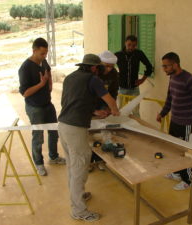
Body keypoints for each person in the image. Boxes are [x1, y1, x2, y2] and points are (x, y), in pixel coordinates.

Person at [58, 54, 120, 222]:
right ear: (94, 68)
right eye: (99, 68)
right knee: (80, 167)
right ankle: (78, 210)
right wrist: (115, 112)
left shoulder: (70, 78)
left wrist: (94, 112)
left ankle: (78, 197)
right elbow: (110, 100)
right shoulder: (93, 80)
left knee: (72, 165)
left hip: (63, 126)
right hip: (76, 129)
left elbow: (72, 102)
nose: (101, 71)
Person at [156, 52, 192, 191]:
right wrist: (162, 113)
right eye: (163, 66)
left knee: (185, 151)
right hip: (175, 119)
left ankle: (188, 180)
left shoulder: (190, 80)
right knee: (174, 148)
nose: (164, 69)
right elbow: (170, 98)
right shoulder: (172, 77)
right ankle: (177, 173)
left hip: (186, 122)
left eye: (166, 66)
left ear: (175, 64)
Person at [18, 37, 65, 176]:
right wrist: (42, 84)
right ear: (34, 51)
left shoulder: (43, 62)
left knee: (53, 132)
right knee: (38, 136)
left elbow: (48, 71)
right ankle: (39, 164)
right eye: (42, 53)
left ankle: (54, 157)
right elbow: (25, 93)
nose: (45, 56)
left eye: (46, 53)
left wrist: (49, 83)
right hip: (35, 108)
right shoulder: (25, 68)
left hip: (47, 104)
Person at [89, 50, 119, 172]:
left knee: (103, 135)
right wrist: (93, 110)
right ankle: (89, 162)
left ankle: (100, 160)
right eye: (106, 66)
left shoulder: (114, 74)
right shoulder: (93, 74)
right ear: (99, 64)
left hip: (104, 106)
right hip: (91, 107)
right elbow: (86, 95)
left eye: (111, 67)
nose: (109, 69)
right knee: (90, 136)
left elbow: (113, 92)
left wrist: (110, 107)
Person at [115, 35, 153, 117]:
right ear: (125, 43)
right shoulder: (118, 55)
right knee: (121, 112)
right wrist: (116, 77)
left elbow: (149, 67)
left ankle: (136, 129)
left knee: (136, 113)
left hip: (134, 89)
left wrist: (142, 80)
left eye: (134, 45)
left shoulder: (139, 54)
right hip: (122, 88)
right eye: (129, 44)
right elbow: (109, 67)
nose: (131, 47)